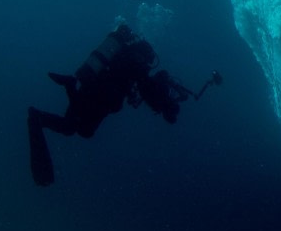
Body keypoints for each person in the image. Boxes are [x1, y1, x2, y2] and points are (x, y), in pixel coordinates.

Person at [27, 23, 218, 186]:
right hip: (101, 96)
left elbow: (143, 86)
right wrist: (165, 105)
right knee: (82, 130)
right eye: (149, 60)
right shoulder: (135, 62)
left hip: (90, 87)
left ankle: (55, 100)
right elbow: (145, 88)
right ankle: (55, 100)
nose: (149, 63)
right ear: (145, 55)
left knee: (72, 128)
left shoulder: (123, 55)